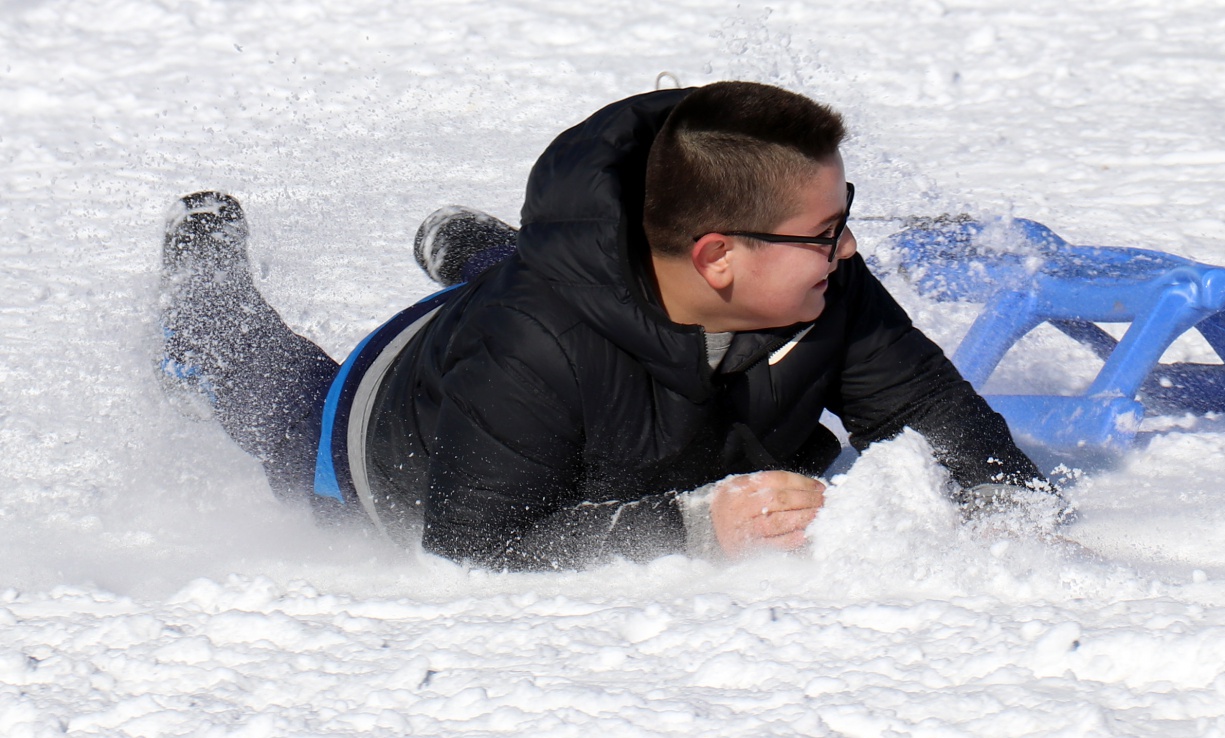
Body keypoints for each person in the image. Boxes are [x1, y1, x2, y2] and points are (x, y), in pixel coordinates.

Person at [158, 81, 1052, 570]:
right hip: (380, 418)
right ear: (718, 258)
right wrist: (693, 528)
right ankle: (204, 307)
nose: (851, 245)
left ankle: (478, 248)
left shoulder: (818, 282)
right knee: (271, 391)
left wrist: (1006, 514)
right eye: (825, 230)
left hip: (557, 311)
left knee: (558, 291)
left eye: (842, 211)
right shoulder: (530, 353)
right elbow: (476, 547)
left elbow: (938, 417)